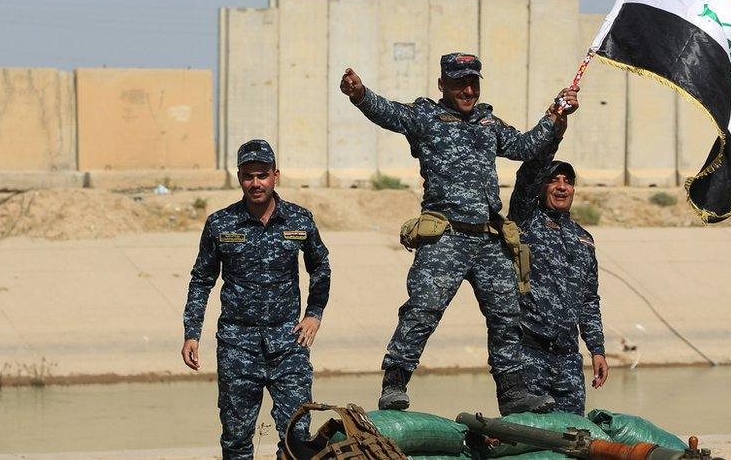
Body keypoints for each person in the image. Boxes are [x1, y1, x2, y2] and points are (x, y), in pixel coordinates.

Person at [339, 53, 579, 415]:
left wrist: (556, 117)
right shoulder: (427, 118)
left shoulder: (488, 122)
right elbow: (389, 113)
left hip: (487, 238)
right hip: (445, 237)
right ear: (442, 85)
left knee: (507, 317)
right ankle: (395, 383)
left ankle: (513, 392)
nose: (467, 90)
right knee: (423, 309)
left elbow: (525, 147)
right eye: (458, 83)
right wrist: (359, 95)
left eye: (473, 82)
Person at [181, 139, 331, 460]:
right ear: (239, 177)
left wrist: (314, 313)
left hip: (288, 342)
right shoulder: (220, 224)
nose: (255, 183)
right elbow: (202, 279)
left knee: (297, 437)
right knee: (236, 439)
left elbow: (320, 265)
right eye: (248, 176)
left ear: (276, 175)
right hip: (238, 345)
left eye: (262, 175)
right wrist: (192, 333)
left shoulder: (298, 220)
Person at [507, 121, 609, 416]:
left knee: (572, 436)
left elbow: (589, 300)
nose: (562, 186)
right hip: (528, 353)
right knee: (530, 438)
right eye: (554, 180)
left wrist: (597, 349)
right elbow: (526, 177)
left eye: (568, 181)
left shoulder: (584, 240)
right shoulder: (525, 221)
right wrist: (556, 128)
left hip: (567, 360)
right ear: (542, 187)